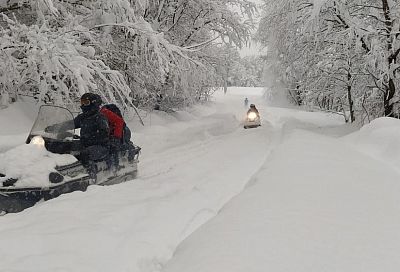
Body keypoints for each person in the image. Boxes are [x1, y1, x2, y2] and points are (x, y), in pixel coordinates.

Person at [46, 93, 110, 165]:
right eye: (82, 102)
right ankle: (51, 164)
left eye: (86, 103)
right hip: (84, 143)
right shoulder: (83, 117)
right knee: (62, 145)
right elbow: (70, 124)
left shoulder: (100, 118)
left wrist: (90, 138)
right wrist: (54, 128)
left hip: (100, 146)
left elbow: (104, 135)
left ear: (93, 103)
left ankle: (91, 174)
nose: (83, 105)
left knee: (85, 154)